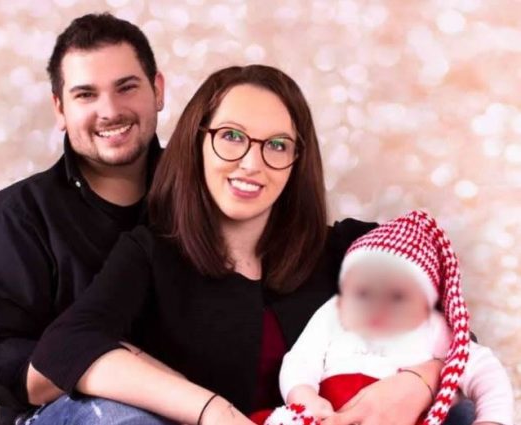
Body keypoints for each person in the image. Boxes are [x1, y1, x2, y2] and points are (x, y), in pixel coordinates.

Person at [28, 65, 458, 425]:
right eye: (231, 136)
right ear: (198, 141)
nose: (252, 164)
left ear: (297, 161)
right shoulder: (151, 254)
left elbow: (453, 327)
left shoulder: (350, 250)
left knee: (463, 412)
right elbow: (65, 346)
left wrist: (419, 381)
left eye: (277, 145)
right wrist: (212, 411)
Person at [0, 13, 166, 425]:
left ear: (157, 90)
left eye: (126, 87)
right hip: (65, 410)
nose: (110, 111)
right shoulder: (10, 218)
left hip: (197, 401)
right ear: (60, 109)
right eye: (86, 95)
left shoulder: (206, 196)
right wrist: (116, 366)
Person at [264, 210, 513, 425]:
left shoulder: (432, 328)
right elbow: (302, 357)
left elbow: (484, 370)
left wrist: (491, 419)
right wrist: (304, 395)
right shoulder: (335, 312)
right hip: (331, 415)